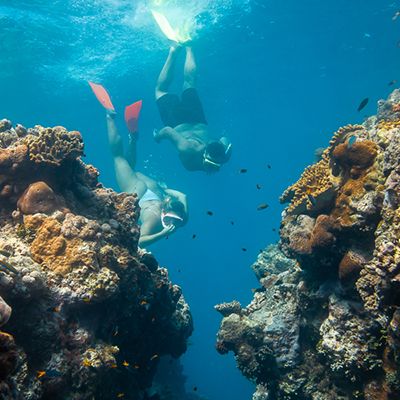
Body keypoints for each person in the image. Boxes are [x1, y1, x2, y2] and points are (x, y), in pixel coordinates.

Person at [104, 106, 188, 247]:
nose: (171, 224)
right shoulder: (154, 219)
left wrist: (166, 192)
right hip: (138, 194)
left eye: (176, 221)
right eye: (169, 219)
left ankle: (133, 139)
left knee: (130, 168)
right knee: (118, 158)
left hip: (155, 191)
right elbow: (140, 242)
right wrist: (162, 234)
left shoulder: (183, 218)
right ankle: (109, 117)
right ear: (165, 212)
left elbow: (183, 196)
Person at [154, 45, 232, 172]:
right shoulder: (187, 148)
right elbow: (168, 130)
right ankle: (173, 51)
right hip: (176, 121)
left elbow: (224, 139)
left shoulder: (223, 156)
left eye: (214, 166)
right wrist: (157, 137)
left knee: (190, 83)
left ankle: (189, 47)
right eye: (211, 165)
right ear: (205, 155)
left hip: (198, 118)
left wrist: (226, 152)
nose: (211, 168)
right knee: (160, 90)